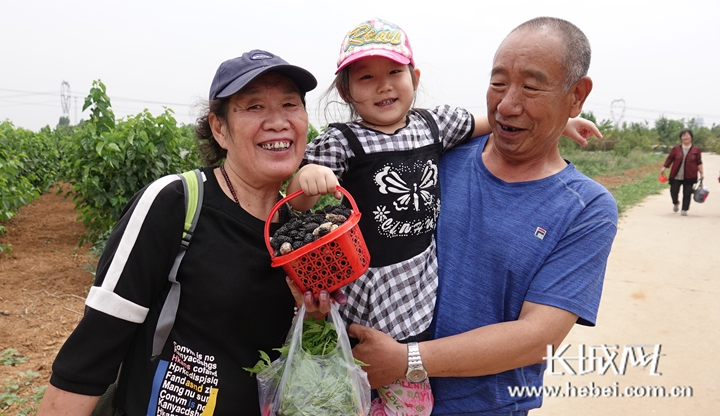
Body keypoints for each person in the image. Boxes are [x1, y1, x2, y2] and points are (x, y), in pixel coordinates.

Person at [287, 17, 602, 416]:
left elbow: (537, 337)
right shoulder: (441, 156)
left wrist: (407, 361)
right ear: (348, 91)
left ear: (576, 96)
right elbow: (300, 197)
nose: (507, 104)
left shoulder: (585, 208)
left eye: (532, 87)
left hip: (487, 407)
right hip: (368, 339)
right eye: (499, 83)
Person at [37, 50, 335, 415]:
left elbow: (274, 352)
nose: (278, 122)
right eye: (254, 107)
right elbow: (92, 351)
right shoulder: (177, 203)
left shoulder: (299, 232)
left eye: (290, 104)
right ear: (219, 128)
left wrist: (311, 317)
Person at [660, 129, 704, 216]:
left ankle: (684, 209)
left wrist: (701, 173)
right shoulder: (676, 149)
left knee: (687, 193)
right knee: (673, 190)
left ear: (691, 137)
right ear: (681, 138)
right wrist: (664, 167)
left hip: (690, 175)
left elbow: (699, 162)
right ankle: (676, 202)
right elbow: (670, 159)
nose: (685, 137)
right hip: (676, 175)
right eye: (683, 136)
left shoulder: (696, 149)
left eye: (687, 135)